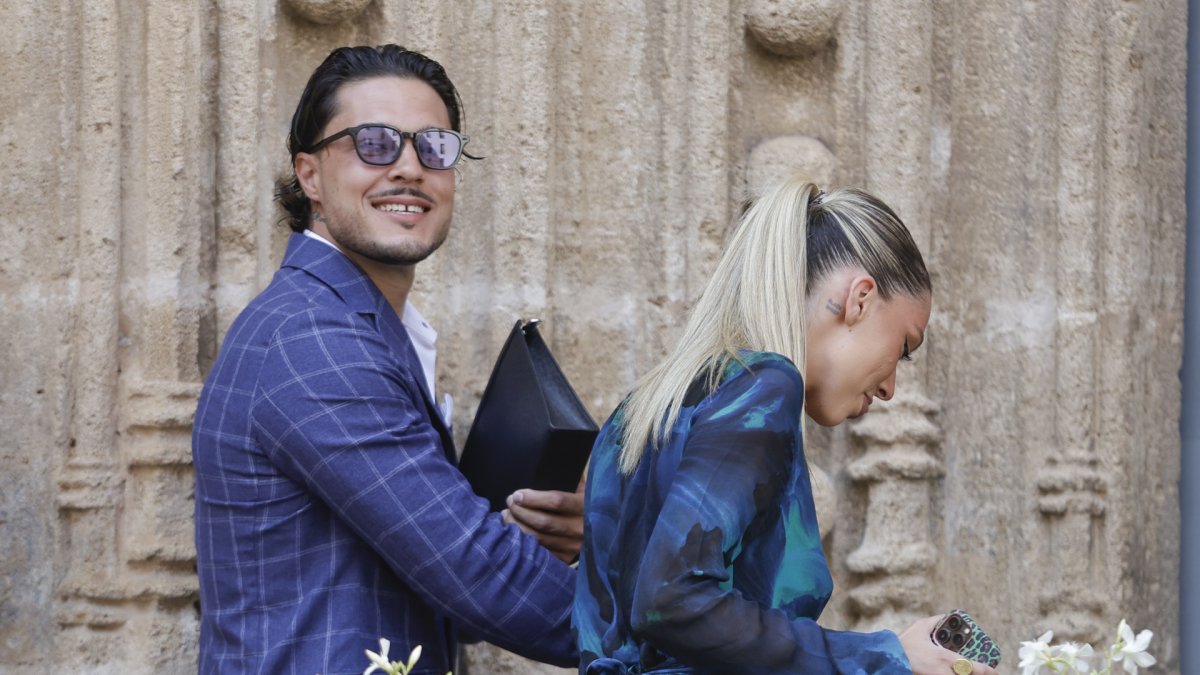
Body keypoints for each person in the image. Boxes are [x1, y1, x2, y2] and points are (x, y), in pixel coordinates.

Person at [192, 44, 582, 674]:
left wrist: (542, 539)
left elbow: (447, 586)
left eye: (434, 147)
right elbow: (475, 574)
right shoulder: (312, 339)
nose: (408, 167)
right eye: (373, 143)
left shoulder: (363, 326)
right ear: (310, 176)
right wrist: (701, 636)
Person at [574, 176, 999, 675]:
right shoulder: (766, 389)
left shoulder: (641, 411)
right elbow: (672, 599)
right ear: (860, 300)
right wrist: (886, 657)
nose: (890, 388)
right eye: (904, 347)